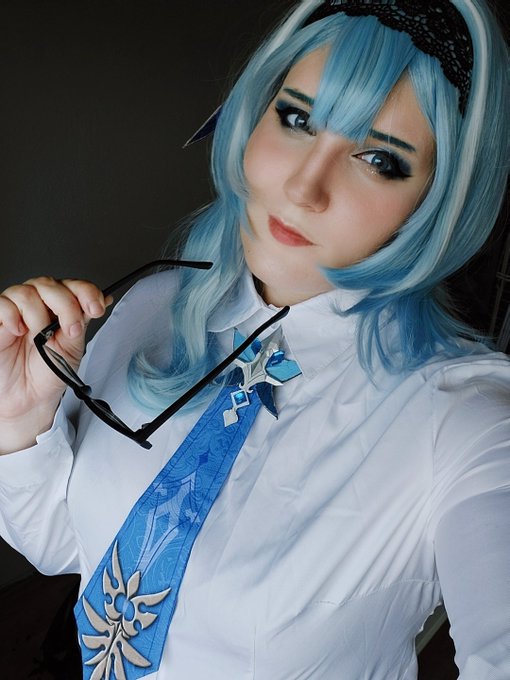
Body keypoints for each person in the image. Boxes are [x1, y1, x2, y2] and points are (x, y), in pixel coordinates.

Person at [0, 0, 508, 678]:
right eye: (296, 119)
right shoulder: (152, 306)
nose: (303, 187)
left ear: (439, 200)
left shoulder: (466, 420)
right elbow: (72, 548)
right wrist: (19, 422)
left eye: (379, 158)